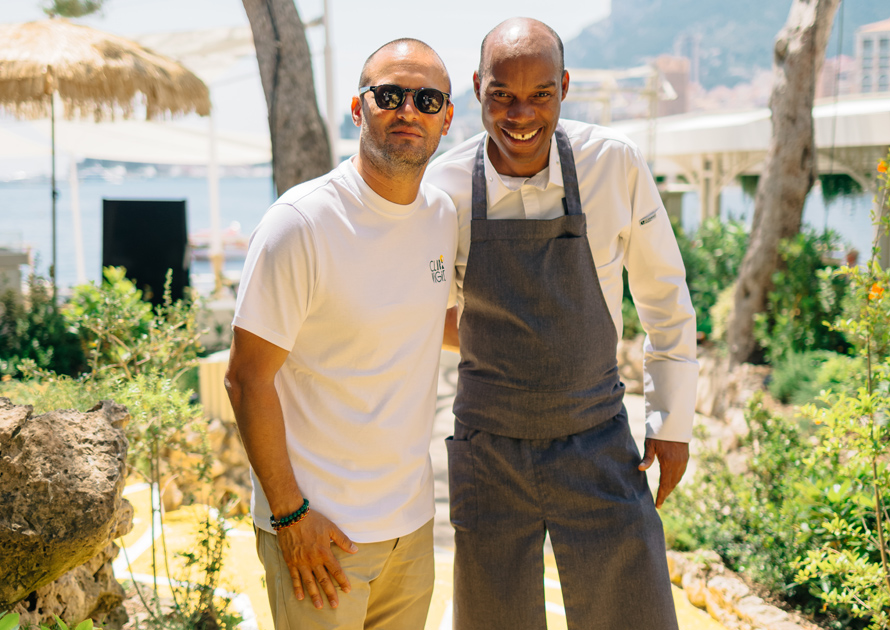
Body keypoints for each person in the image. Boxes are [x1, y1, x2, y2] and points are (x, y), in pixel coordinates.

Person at [426, 17, 698, 630]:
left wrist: (672, 422)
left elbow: (665, 295)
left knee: (636, 613)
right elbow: (419, 311)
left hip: (597, 440)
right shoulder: (442, 187)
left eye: (540, 94)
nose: (521, 114)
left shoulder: (614, 164)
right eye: (503, 95)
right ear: (476, 88)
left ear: (565, 87)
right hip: (487, 449)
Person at [225, 38, 456, 630]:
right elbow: (247, 379)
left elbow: (426, 319)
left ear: (447, 119)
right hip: (318, 535)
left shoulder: (441, 217)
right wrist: (289, 516)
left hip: (411, 527)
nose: (409, 110)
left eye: (427, 99)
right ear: (359, 109)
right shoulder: (300, 224)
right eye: (390, 95)